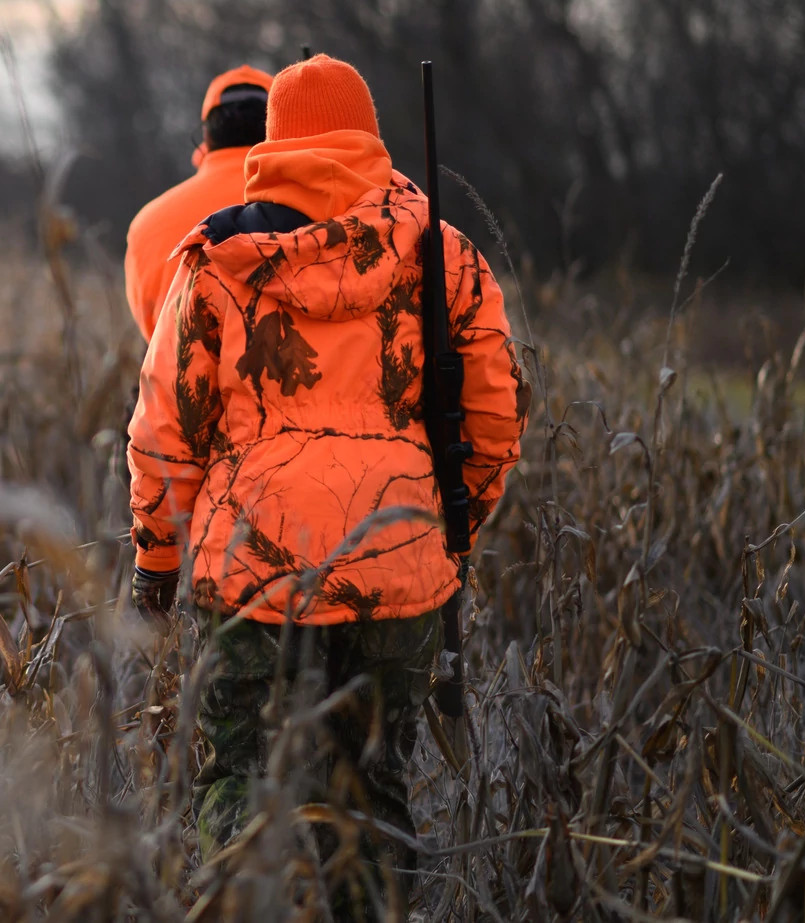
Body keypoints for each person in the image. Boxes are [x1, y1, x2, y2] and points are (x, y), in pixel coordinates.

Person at [125, 54, 525, 914]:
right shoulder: (444, 252)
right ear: (371, 137)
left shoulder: (217, 262)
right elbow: (496, 414)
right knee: (375, 798)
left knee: (238, 780)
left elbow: (163, 430)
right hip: (398, 558)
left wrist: (157, 563)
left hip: (251, 573)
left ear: (274, 143)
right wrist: (452, 528)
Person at [124, 66, 274, 341]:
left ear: (206, 135)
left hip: (178, 378)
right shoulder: (318, 202)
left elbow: (152, 335)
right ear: (278, 127)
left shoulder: (146, 222)